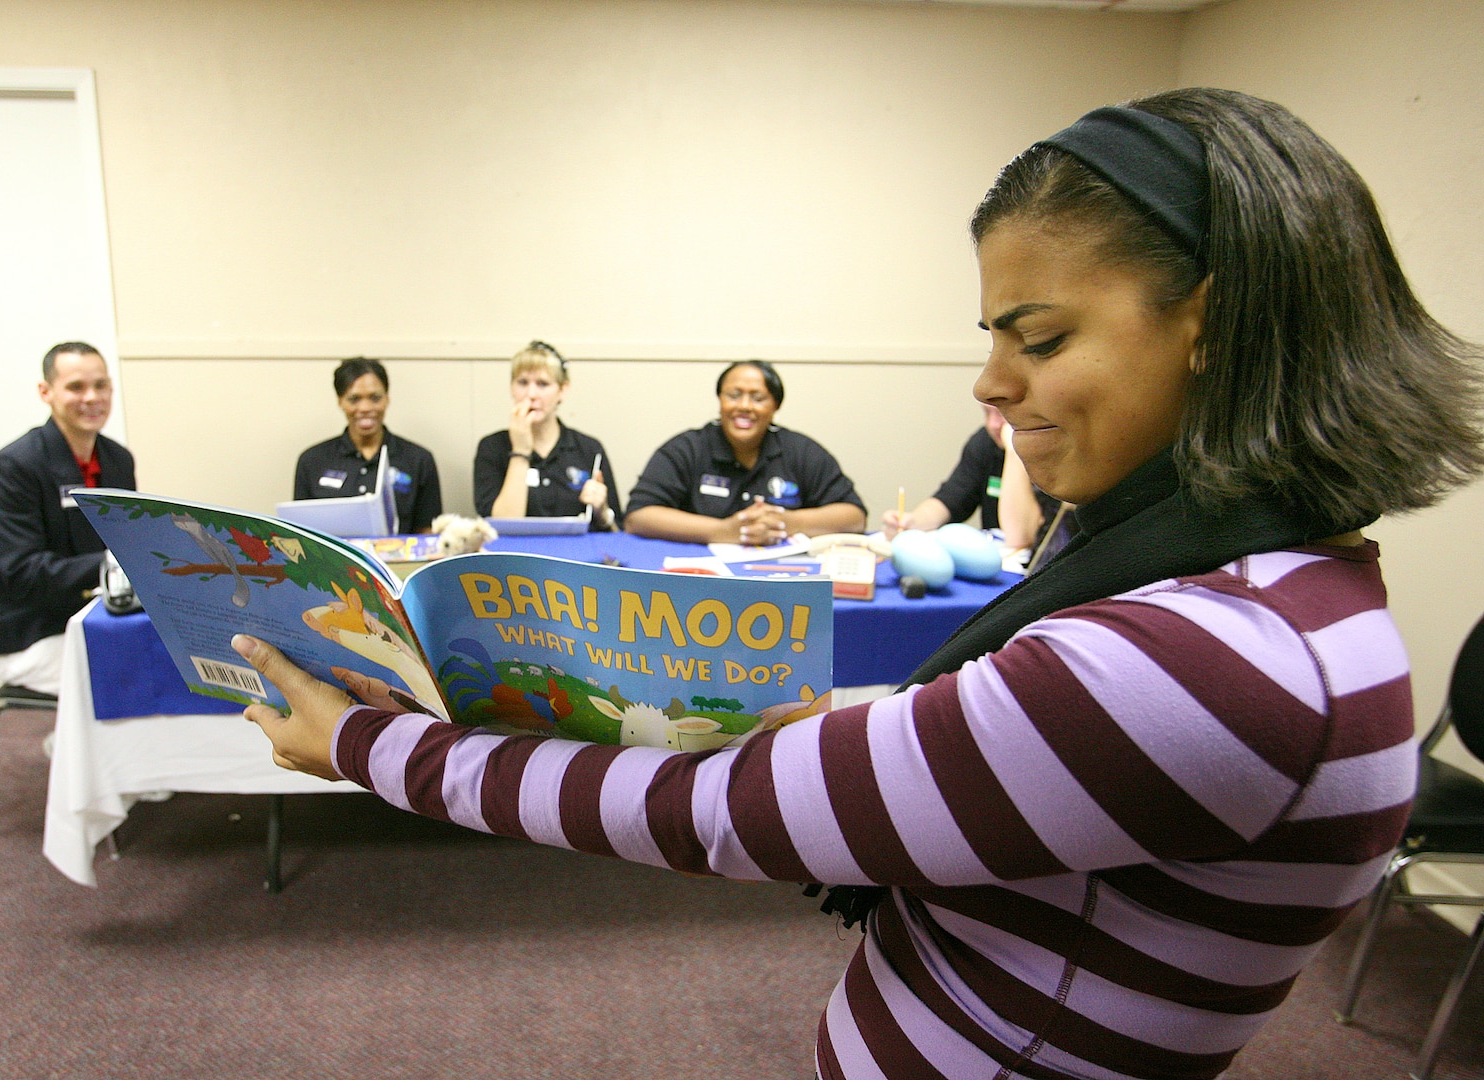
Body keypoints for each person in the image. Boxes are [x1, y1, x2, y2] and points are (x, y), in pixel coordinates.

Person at [233, 89, 1483, 1080]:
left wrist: (361, 742)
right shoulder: (1272, 589)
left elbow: (710, 810)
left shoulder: (1210, 662)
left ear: (1213, 320)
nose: (991, 383)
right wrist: (857, 734)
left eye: (1039, 338)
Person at [0, 342, 137, 695]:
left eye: (101, 385)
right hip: (28, 635)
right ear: (46, 392)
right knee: (135, 672)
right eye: (76, 387)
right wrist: (115, 562)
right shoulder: (13, 468)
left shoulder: (118, 460)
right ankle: (75, 751)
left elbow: (128, 541)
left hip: (96, 616)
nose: (92, 397)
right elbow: (21, 574)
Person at [624, 360, 866, 545]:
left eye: (758, 398)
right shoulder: (687, 449)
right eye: (734, 395)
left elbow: (854, 517)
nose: (744, 407)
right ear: (720, 400)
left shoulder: (801, 451)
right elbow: (638, 517)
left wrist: (787, 522)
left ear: (775, 407)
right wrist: (722, 531)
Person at [471, 341, 621, 531]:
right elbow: (502, 528)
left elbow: (618, 533)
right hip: (516, 557)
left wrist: (602, 512)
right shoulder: (491, 447)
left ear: (562, 390)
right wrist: (521, 452)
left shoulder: (588, 448)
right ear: (511, 388)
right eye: (523, 383)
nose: (531, 394)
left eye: (542, 384)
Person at [293, 358, 442, 534]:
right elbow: (301, 535)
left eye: (375, 398)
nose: (365, 407)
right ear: (340, 401)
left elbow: (427, 533)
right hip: (333, 561)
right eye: (354, 399)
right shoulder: (312, 461)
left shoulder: (418, 459)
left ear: (387, 399)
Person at [881, 402, 1043, 550]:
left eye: (1002, 414)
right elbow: (950, 498)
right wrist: (913, 522)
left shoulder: (1049, 452)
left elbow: (1020, 537)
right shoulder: (984, 442)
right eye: (987, 413)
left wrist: (1014, 452)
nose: (993, 424)